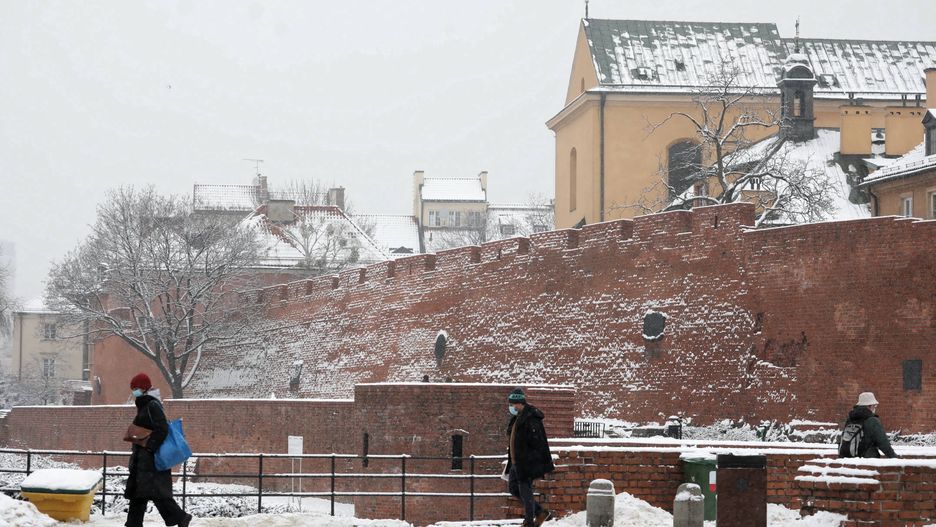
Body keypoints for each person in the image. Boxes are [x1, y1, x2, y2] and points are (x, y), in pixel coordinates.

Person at [123, 373, 192, 527]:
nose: (134, 391)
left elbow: (162, 428)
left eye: (136, 388)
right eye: (133, 388)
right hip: (144, 459)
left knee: (150, 493)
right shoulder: (145, 404)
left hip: (149, 460)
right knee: (142, 493)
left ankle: (181, 517)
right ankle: (179, 518)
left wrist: (149, 447)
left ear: (144, 388)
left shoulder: (151, 405)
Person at [505, 388, 555, 527]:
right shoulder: (518, 418)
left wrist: (530, 461)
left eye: (513, 404)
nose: (511, 407)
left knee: (525, 490)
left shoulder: (531, 418)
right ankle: (540, 512)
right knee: (514, 489)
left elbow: (537, 442)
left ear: (519, 403)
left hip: (526, 463)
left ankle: (528, 522)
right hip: (516, 462)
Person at [839, 391, 898, 459]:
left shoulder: (850, 419)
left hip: (848, 459)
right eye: (874, 406)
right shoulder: (872, 421)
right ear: (869, 406)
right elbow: (883, 443)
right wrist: (894, 458)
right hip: (867, 460)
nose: (875, 408)